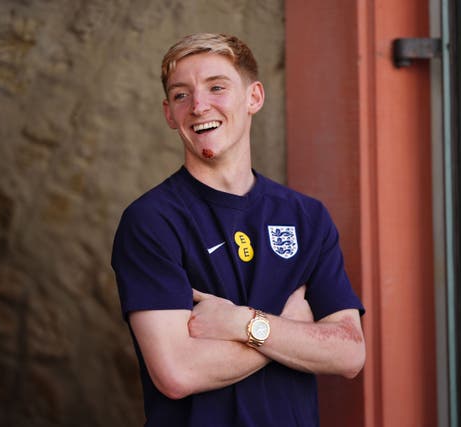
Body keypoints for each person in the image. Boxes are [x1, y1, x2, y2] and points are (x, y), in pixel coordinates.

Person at [111, 33, 365, 427]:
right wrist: (291, 328)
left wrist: (244, 325)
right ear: (168, 113)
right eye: (181, 95)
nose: (198, 106)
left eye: (217, 87)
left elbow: (349, 353)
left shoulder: (307, 217)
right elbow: (177, 373)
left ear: (254, 98)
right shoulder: (151, 222)